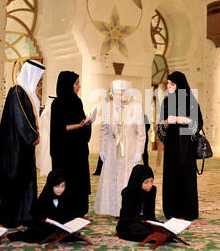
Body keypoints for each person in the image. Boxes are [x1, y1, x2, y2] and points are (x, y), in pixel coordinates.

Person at [0, 59, 44, 227]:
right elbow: (20, 119)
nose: (41, 78)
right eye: (40, 74)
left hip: (24, 146)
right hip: (15, 147)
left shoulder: (28, 92)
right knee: (13, 179)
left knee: (25, 179)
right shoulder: (17, 92)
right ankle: (9, 217)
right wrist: (33, 135)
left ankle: (24, 215)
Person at [94, 80, 146, 217]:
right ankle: (114, 209)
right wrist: (102, 148)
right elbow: (104, 130)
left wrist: (138, 152)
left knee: (128, 180)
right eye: (116, 94)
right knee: (113, 179)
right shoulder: (109, 107)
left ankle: (128, 210)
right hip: (113, 150)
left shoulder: (136, 107)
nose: (118, 97)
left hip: (130, 151)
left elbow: (141, 133)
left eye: (121, 94)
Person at [158, 71, 203, 220]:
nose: (169, 86)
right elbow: (160, 127)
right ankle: (172, 210)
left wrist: (186, 121)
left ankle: (187, 210)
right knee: (171, 176)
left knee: (185, 176)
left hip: (186, 147)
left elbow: (199, 123)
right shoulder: (166, 102)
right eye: (168, 83)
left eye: (172, 84)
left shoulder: (190, 101)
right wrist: (167, 121)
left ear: (180, 85)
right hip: (171, 146)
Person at [50, 71, 92, 218]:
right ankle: (66, 211)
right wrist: (78, 126)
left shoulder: (77, 101)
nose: (78, 87)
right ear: (67, 84)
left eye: (78, 83)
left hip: (78, 148)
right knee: (67, 180)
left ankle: (79, 210)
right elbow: (58, 129)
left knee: (79, 180)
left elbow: (81, 121)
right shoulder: (58, 103)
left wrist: (87, 123)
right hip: (65, 151)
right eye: (76, 84)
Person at [6, 169, 76, 243]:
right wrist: (48, 221)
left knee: (71, 235)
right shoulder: (44, 197)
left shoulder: (65, 197)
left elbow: (68, 214)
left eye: (63, 186)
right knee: (38, 235)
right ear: (51, 185)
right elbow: (38, 215)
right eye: (57, 186)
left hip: (61, 226)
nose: (60, 189)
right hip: (46, 226)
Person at [116, 165, 157, 242]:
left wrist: (153, 223)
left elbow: (151, 213)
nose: (150, 185)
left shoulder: (152, 190)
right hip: (130, 221)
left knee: (163, 229)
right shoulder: (128, 192)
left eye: (152, 181)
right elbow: (129, 216)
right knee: (140, 230)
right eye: (146, 182)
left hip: (146, 220)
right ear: (138, 180)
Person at [36, 96, 55, 177]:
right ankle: (46, 170)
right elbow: (48, 126)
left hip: (46, 135)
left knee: (45, 154)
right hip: (47, 136)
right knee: (46, 154)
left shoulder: (45, 111)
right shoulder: (47, 111)